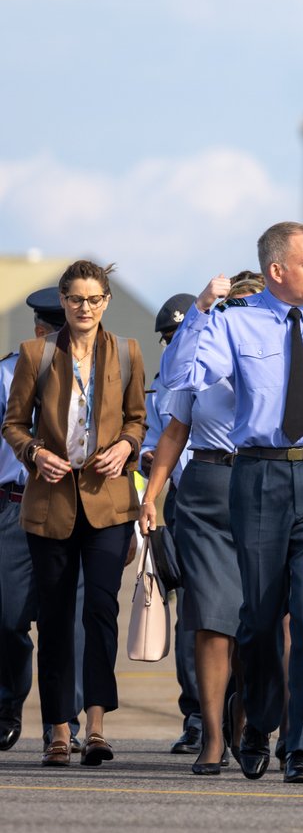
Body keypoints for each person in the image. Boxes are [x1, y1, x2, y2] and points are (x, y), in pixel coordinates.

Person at [160, 222, 303, 784]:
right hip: (257, 476)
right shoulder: (232, 322)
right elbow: (183, 376)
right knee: (257, 619)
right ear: (277, 270)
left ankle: (299, 747)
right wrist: (202, 314)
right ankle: (258, 722)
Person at [2, 260, 146, 768]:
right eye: (76, 299)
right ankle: (59, 731)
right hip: (50, 503)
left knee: (100, 614)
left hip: (108, 504)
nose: (85, 308)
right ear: (63, 302)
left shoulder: (126, 353)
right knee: (57, 617)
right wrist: (34, 453)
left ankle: (98, 727)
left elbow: (138, 419)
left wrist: (127, 446)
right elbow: (14, 423)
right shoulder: (35, 354)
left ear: (106, 301)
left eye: (94, 299)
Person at [139, 272, 265, 775]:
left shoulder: (285, 354)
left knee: (270, 623)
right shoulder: (202, 358)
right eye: (240, 307)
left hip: (269, 485)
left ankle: (247, 716)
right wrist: (151, 496)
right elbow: (175, 428)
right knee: (211, 621)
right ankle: (211, 734)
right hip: (209, 490)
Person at [0, 289, 84, 753]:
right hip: (14, 505)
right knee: (8, 616)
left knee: (66, 618)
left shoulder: (93, 374)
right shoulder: (6, 374)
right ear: (39, 331)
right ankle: (8, 701)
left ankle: (62, 721)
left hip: (73, 504)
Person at [141, 292, 202, 756]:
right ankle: (197, 715)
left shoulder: (222, 367)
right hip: (182, 501)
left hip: (237, 492)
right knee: (190, 613)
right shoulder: (160, 387)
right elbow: (149, 441)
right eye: (170, 338)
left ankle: (250, 712)